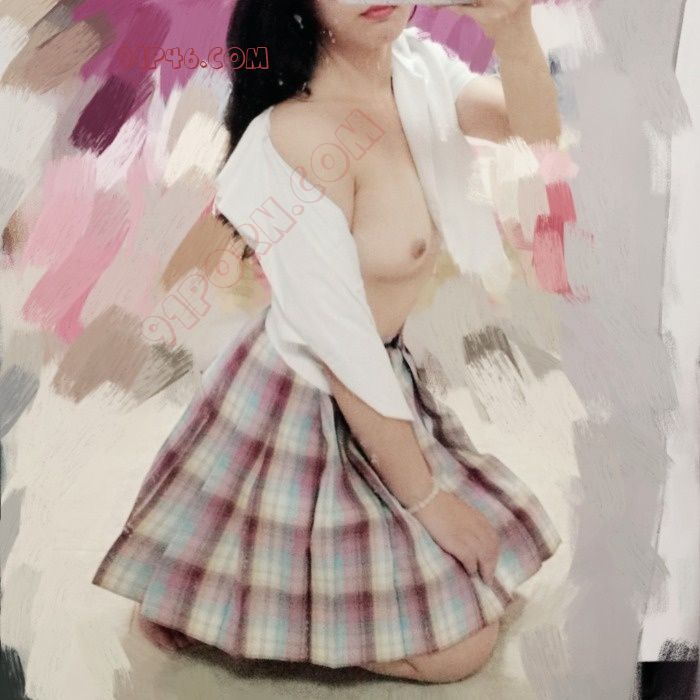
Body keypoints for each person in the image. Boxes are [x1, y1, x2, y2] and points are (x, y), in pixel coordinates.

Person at [92, 0, 564, 684]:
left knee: (484, 582)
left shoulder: (415, 71)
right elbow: (339, 345)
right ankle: (224, 612)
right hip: (309, 395)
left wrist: (514, 29)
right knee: (459, 652)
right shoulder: (296, 138)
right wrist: (429, 503)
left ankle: (224, 597)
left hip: (378, 379)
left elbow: (536, 128)